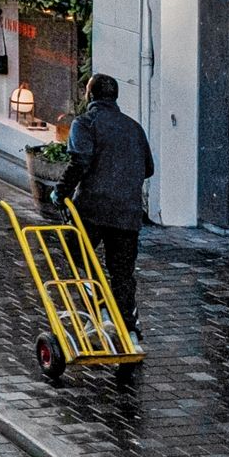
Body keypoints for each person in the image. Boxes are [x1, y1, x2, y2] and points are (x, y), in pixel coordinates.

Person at [51, 73, 156, 335]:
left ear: (90, 95)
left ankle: (100, 309)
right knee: (122, 272)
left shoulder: (85, 123)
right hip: (128, 212)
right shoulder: (134, 128)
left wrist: (61, 192)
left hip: (93, 209)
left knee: (77, 253)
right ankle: (128, 328)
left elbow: (80, 161)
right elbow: (148, 169)